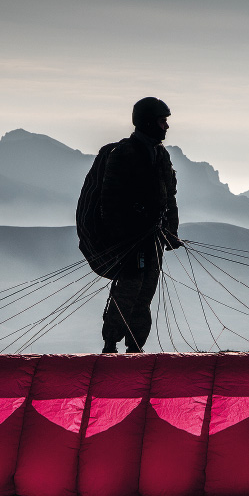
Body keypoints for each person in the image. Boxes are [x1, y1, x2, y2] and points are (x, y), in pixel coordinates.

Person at [96, 97, 181, 353]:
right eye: (162, 121)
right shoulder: (124, 154)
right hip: (130, 241)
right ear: (147, 122)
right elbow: (109, 201)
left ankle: (135, 347)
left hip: (153, 238)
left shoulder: (161, 154)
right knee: (128, 290)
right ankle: (110, 344)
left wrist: (171, 231)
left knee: (146, 292)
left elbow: (169, 196)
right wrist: (123, 238)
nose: (166, 126)